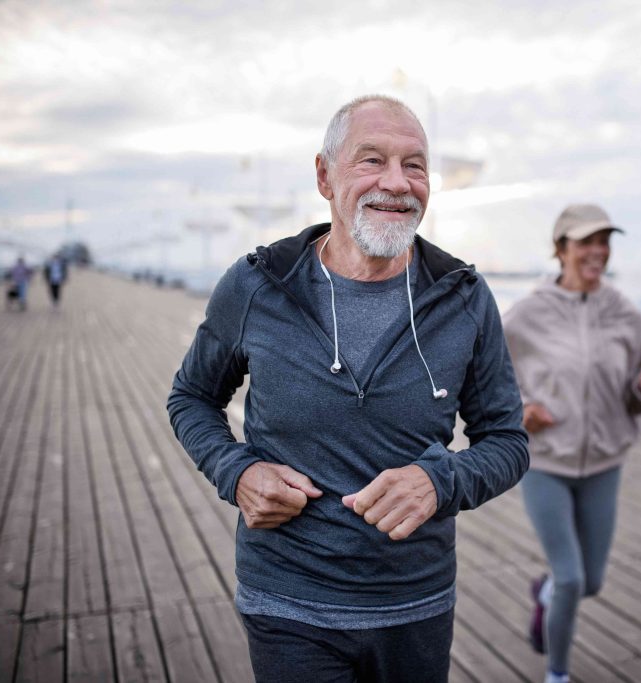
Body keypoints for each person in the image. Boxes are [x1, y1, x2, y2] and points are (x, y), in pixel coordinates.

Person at [167, 95, 528, 683]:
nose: (397, 182)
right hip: (287, 600)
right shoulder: (259, 285)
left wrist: (442, 481)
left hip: (417, 603)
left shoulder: (463, 296)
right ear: (324, 176)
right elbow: (191, 397)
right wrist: (237, 472)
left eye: (414, 165)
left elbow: (507, 441)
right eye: (371, 160)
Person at [502, 204, 641, 683]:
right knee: (572, 578)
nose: (597, 251)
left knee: (590, 582)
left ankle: (544, 595)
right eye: (585, 242)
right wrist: (520, 407)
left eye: (604, 242)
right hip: (546, 462)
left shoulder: (624, 313)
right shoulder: (526, 314)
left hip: (604, 460)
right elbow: (488, 377)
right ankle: (557, 674)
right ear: (560, 250)